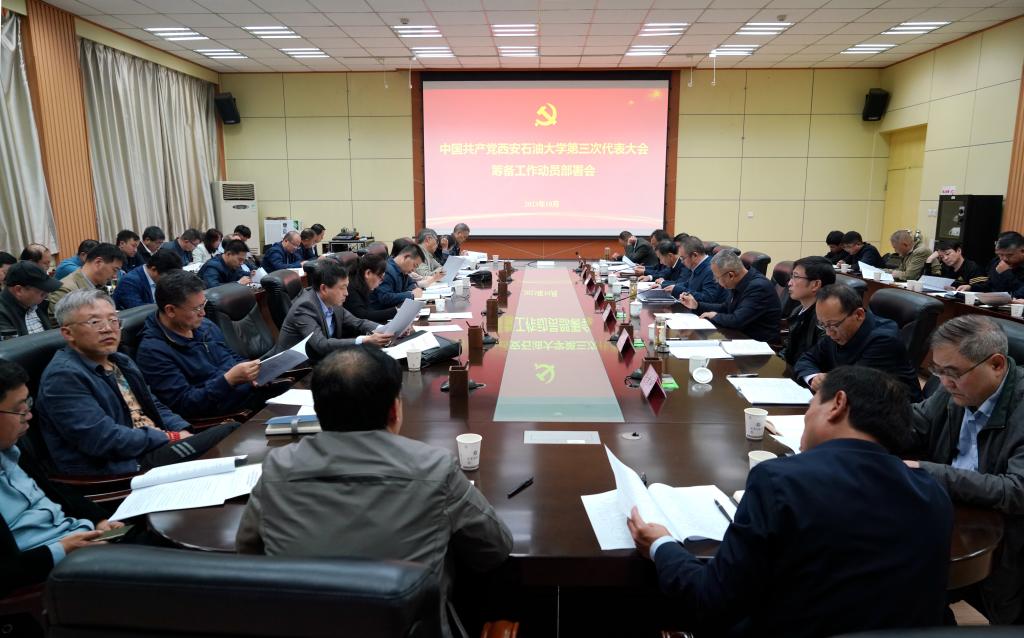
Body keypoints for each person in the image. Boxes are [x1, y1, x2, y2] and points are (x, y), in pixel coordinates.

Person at [628, 366, 952, 637]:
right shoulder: (932, 492)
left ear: (837, 404)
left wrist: (661, 545)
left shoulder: (780, 481)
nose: (806, 417)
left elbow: (711, 600)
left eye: (811, 405)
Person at [236, 346, 513, 637]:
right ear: (394, 410)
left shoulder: (277, 468)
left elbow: (249, 559)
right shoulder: (433, 468)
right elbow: (494, 548)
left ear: (318, 411)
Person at [36, 290, 238, 476]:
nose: (108, 329)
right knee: (230, 433)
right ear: (68, 333)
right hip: (123, 465)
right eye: (95, 322)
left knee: (229, 439)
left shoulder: (120, 360)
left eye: (113, 320)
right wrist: (170, 437)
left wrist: (182, 430)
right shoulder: (63, 377)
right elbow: (102, 439)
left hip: (153, 446)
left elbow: (154, 405)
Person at [908, 316, 1024, 624]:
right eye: (937, 370)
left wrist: (929, 472)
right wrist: (860, 420)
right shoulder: (956, 388)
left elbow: (1017, 490)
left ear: (996, 364)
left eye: (953, 373)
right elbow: (917, 423)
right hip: (953, 510)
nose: (944, 383)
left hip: (1003, 535)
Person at [0, 359, 119, 599]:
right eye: (20, 410)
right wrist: (62, 550)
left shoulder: (10, 448)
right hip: (51, 578)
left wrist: (99, 520)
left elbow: (53, 488)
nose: (29, 416)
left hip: (83, 541)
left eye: (28, 404)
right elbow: (5, 572)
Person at [136, 271, 285, 420]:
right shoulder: (153, 351)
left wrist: (252, 370)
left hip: (251, 394)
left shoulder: (203, 325)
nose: (203, 313)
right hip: (229, 416)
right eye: (196, 308)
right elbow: (184, 405)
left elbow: (230, 356)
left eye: (204, 305)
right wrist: (228, 380)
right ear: (170, 310)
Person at [794, 283, 922, 400]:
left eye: (832, 325)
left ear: (859, 315)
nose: (828, 332)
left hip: (894, 410)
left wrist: (826, 382)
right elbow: (806, 358)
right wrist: (813, 378)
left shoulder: (884, 340)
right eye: (822, 324)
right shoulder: (834, 326)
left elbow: (854, 384)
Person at [275, 258, 392, 363]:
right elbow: (321, 344)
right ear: (324, 288)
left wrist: (386, 330)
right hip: (296, 369)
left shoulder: (332, 301)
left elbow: (358, 322)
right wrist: (365, 340)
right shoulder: (305, 307)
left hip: (323, 359)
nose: (346, 293)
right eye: (342, 288)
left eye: (347, 287)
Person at [679, 250, 781, 343]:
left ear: (731, 275)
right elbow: (726, 307)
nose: (716, 281)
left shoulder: (758, 287)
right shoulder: (740, 281)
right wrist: (697, 305)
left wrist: (715, 316)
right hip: (740, 337)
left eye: (717, 277)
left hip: (759, 346)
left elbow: (737, 320)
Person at [47, 243, 124, 326]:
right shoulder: (66, 290)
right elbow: (64, 329)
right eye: (115, 270)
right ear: (98, 262)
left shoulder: (99, 286)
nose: (115, 276)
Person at [780, 256, 835, 368]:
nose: (789, 283)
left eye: (796, 277)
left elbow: (815, 360)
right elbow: (790, 351)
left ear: (815, 284)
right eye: (791, 276)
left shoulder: (824, 320)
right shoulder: (797, 310)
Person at [0, 262, 60, 336]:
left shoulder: (36, 304)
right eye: (42, 293)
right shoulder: (3, 314)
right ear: (19, 290)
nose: (46, 295)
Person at [111, 249, 182, 310]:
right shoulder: (130, 282)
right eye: (168, 277)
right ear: (154, 269)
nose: (170, 280)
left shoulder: (159, 277)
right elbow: (139, 311)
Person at [961, 231, 1024, 296]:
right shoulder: (996, 261)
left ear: (1022, 251)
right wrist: (971, 287)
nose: (1004, 259)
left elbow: (1019, 294)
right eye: (1000, 254)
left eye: (1009, 255)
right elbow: (989, 284)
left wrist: (1006, 273)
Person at [669, 236, 728, 303]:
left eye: (683, 258)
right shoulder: (698, 266)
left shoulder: (711, 270)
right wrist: (672, 287)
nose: (682, 262)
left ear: (695, 255)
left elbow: (708, 299)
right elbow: (689, 284)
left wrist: (678, 290)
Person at [344, 254, 399, 324]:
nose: (381, 282)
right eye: (380, 277)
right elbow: (362, 316)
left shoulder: (361, 285)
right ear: (368, 273)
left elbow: (369, 312)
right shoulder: (350, 288)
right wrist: (395, 311)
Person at [370, 244, 424, 310]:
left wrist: (408, 292)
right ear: (406, 257)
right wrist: (411, 294)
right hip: (382, 313)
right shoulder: (387, 270)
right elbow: (385, 297)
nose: (414, 270)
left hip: (396, 310)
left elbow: (412, 283)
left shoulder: (403, 270)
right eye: (414, 265)